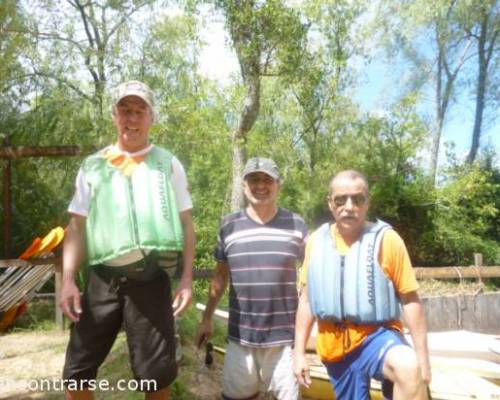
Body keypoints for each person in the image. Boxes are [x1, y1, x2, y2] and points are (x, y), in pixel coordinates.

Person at [60, 80, 195, 400]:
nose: (131, 118)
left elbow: (188, 225)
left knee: (156, 377)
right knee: (76, 374)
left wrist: (187, 279)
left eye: (139, 111)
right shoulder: (93, 165)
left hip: (150, 280)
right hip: (102, 280)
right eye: (124, 110)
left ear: (151, 118)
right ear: (114, 116)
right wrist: (67, 280)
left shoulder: (168, 164)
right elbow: (75, 227)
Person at [293, 170, 431, 400]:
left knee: (409, 367)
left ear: (368, 203)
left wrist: (423, 360)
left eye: (358, 199)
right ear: (330, 203)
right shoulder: (316, 242)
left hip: (377, 336)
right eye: (341, 199)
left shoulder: (388, 240)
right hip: (334, 347)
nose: (349, 206)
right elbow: (306, 301)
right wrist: (299, 354)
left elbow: (410, 299)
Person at [197, 157, 308, 400]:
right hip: (240, 339)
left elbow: (312, 279)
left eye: (267, 180)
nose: (260, 186)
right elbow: (220, 278)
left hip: (284, 342)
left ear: (278, 184)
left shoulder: (297, 224)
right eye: (254, 179)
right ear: (244, 186)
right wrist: (206, 318)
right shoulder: (228, 226)